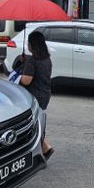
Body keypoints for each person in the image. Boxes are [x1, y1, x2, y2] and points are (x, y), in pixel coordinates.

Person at [17, 31, 54, 160]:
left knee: (31, 125)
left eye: (28, 42)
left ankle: (43, 148)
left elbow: (26, 80)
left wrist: (18, 76)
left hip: (33, 97)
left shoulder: (32, 61)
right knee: (36, 122)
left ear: (33, 45)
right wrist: (23, 61)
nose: (27, 45)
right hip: (45, 94)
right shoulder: (46, 58)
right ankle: (44, 148)